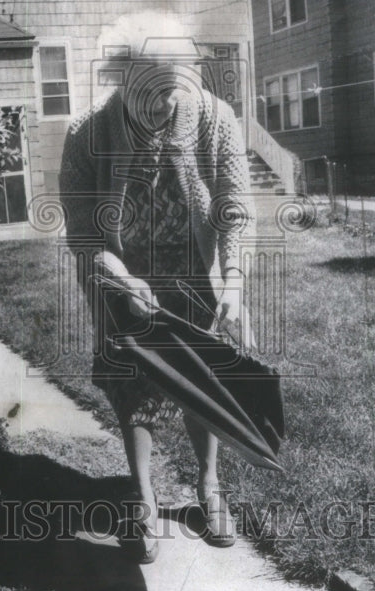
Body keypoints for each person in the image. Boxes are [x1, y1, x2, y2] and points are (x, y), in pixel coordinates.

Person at [58, 30, 254, 561]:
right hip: (125, 278)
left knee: (201, 379)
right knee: (134, 385)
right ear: (121, 82)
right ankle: (142, 497)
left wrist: (233, 276)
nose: (165, 104)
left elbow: (233, 205)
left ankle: (208, 485)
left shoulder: (213, 117)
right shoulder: (86, 133)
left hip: (195, 270)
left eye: (173, 90)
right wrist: (123, 279)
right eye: (152, 92)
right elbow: (83, 236)